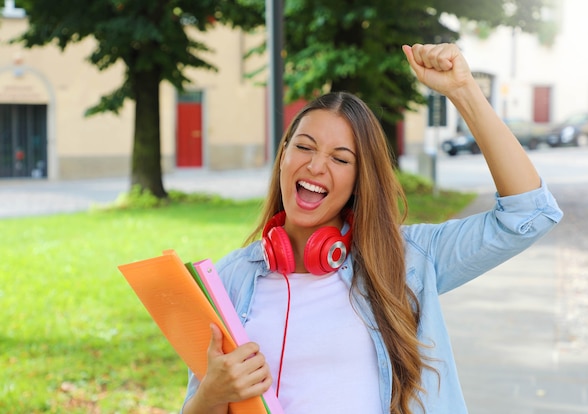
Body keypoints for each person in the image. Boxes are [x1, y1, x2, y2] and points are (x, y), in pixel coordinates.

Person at [181, 43, 563, 414]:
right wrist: (212, 394)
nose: (316, 166)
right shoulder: (228, 280)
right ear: (283, 156)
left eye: (340, 158)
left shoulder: (407, 258)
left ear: (359, 180)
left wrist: (464, 91)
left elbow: (528, 215)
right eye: (305, 147)